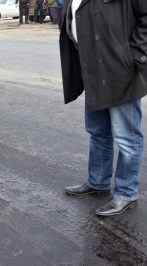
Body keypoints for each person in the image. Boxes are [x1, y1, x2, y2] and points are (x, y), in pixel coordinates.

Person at [59, 0, 147, 216]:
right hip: (94, 70)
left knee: (127, 137)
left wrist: (133, 57)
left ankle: (126, 192)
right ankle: (98, 181)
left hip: (120, 70)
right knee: (98, 132)